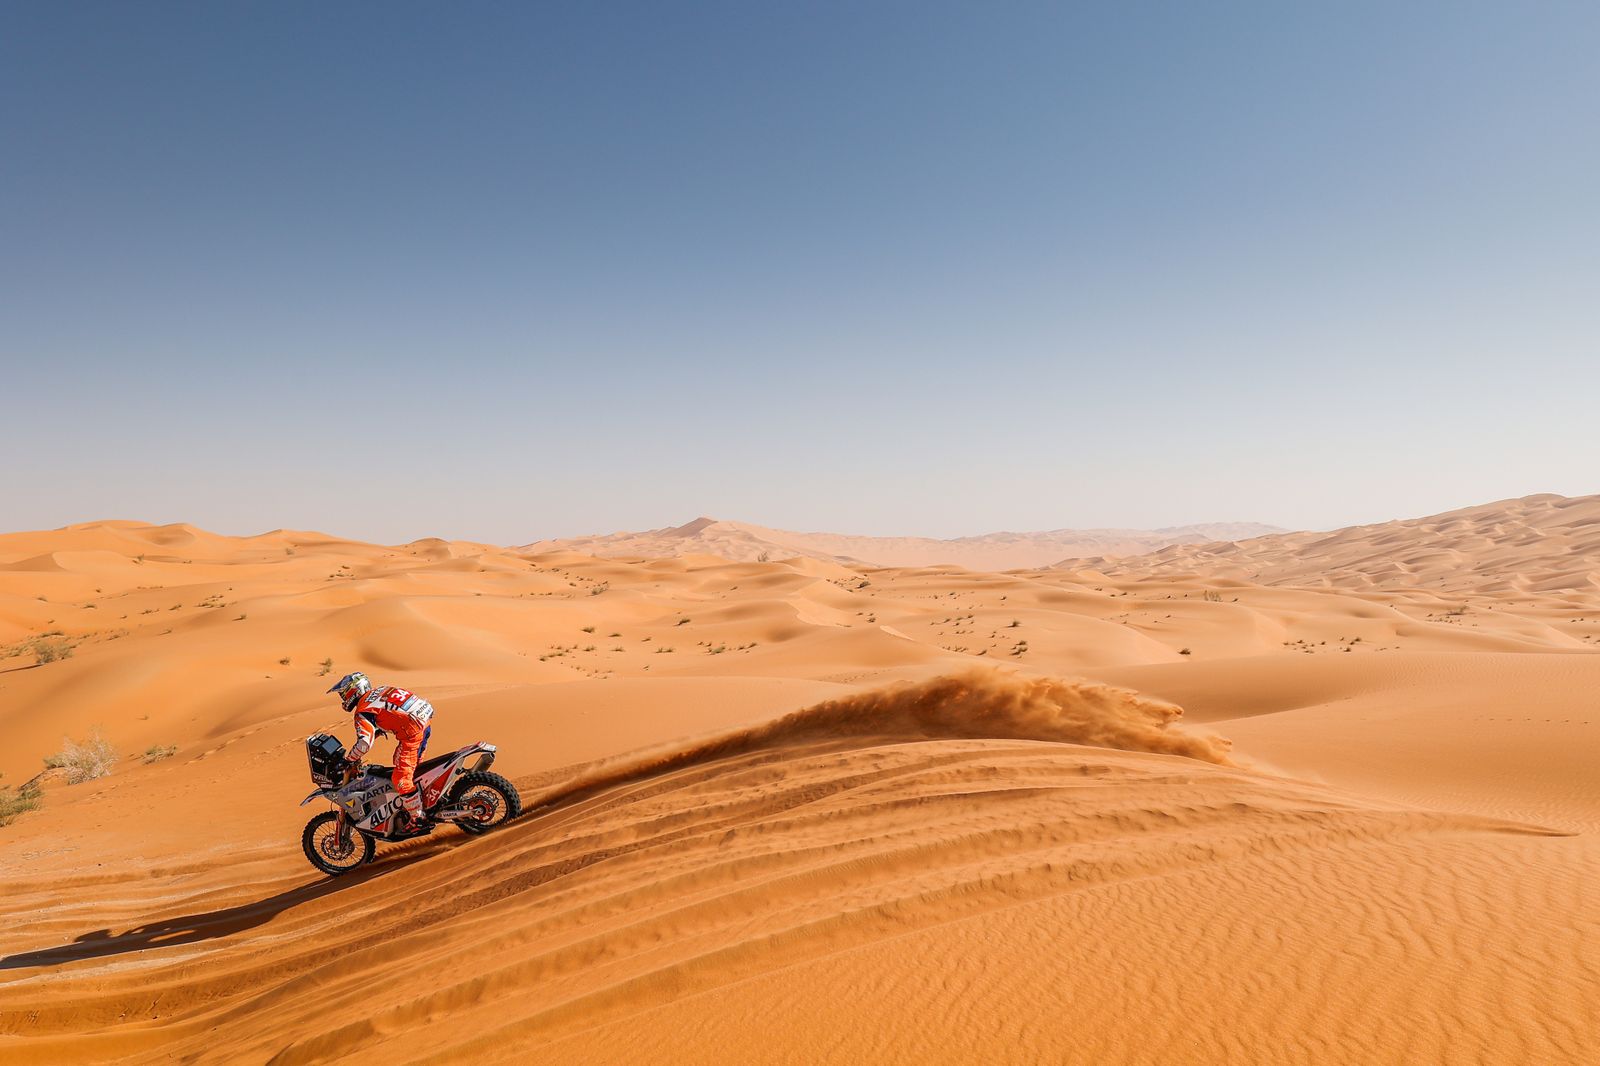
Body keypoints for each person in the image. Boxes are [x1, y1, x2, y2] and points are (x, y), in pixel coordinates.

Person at [326, 671, 436, 831]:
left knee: (401, 779)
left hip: (413, 733)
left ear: (353, 690)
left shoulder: (362, 710)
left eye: (344, 694)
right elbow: (393, 709)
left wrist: (349, 759)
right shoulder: (378, 691)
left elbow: (364, 743)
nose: (343, 698)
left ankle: (418, 817)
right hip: (423, 722)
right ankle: (425, 799)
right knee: (403, 765)